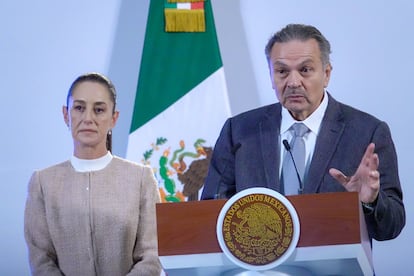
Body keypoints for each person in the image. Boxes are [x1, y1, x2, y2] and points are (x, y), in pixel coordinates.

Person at [201, 24, 405, 242]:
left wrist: (370, 201)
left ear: (326, 74)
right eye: (282, 71)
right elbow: (210, 213)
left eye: (305, 70)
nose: (293, 82)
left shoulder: (367, 132)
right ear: (271, 76)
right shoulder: (239, 131)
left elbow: (391, 228)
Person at [24, 73, 162, 275]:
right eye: (79, 108)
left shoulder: (140, 179)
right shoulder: (43, 183)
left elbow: (152, 256)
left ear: (114, 118)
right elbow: (41, 260)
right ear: (65, 114)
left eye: (99, 110)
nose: (88, 118)